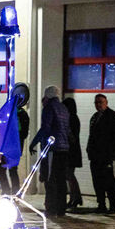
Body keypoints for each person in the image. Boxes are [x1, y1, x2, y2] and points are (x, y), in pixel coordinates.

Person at [29, 86, 71, 217]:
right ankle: (61, 208)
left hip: (52, 148)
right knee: (61, 179)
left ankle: (51, 208)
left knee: (50, 178)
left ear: (47, 95)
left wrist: (34, 142)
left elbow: (45, 128)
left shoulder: (49, 108)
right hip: (64, 148)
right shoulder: (64, 108)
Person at [87, 93, 115, 214]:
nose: (98, 105)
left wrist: (110, 151)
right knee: (97, 181)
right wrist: (89, 150)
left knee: (109, 181)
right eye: (96, 102)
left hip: (107, 156)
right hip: (95, 156)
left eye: (101, 102)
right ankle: (101, 204)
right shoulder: (94, 117)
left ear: (106, 103)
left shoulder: (112, 116)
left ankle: (113, 205)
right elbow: (92, 136)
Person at [0, 98, 30, 195]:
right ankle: (15, 191)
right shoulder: (23, 114)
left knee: (1, 170)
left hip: (9, 146)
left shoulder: (12, 114)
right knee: (12, 170)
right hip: (17, 147)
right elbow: (24, 134)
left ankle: (7, 191)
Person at [63, 97, 84, 208]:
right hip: (73, 151)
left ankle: (75, 198)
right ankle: (75, 198)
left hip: (71, 151)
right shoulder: (74, 118)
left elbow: (71, 135)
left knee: (69, 175)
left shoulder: (72, 119)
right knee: (70, 175)